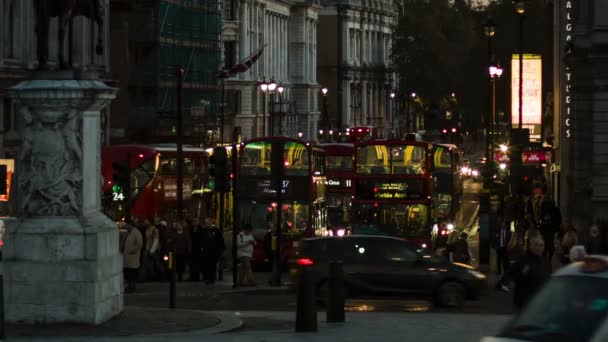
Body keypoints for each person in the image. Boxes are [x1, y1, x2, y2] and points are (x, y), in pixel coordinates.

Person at [507, 236, 550, 309]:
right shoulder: (523, 260)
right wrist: (522, 274)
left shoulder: (545, 262)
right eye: (536, 245)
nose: (538, 248)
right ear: (531, 246)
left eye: (541, 245)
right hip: (525, 302)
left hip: (540, 301)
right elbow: (512, 275)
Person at [121, 221, 143, 293]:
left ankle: (132, 287)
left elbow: (139, 244)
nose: (126, 226)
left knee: (132, 273)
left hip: (133, 257)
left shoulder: (136, 232)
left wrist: (133, 250)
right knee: (127, 273)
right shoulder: (128, 233)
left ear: (130, 225)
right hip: (127, 257)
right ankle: (129, 287)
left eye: (127, 225)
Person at [201, 218, 225, 284]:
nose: (207, 224)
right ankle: (208, 278)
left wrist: (221, 249)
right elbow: (202, 240)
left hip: (214, 251)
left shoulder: (216, 230)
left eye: (208, 223)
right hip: (206, 250)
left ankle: (212, 278)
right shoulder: (204, 231)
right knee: (207, 265)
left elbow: (220, 240)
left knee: (213, 265)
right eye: (206, 223)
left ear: (211, 223)